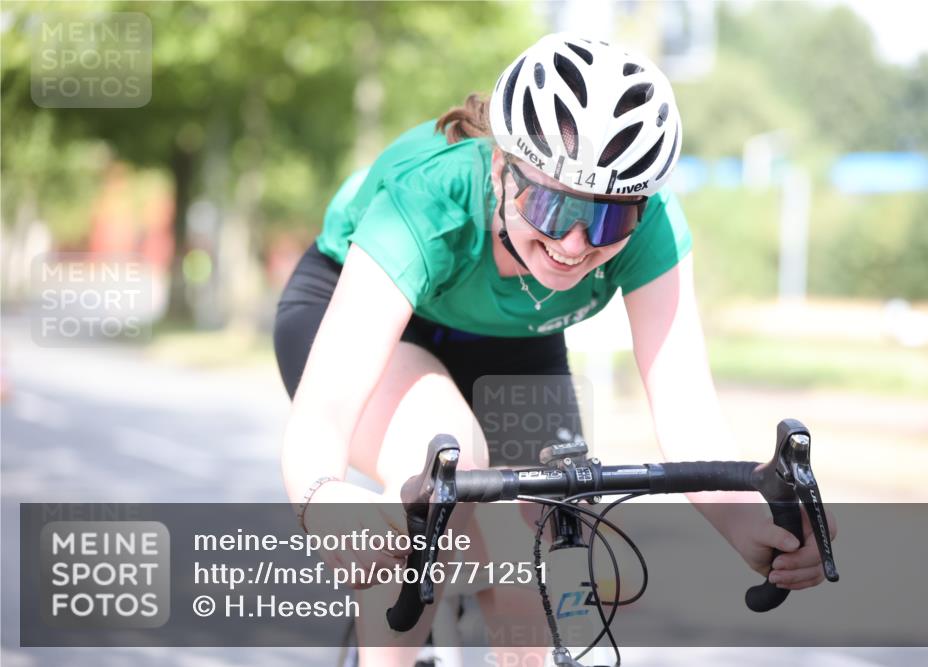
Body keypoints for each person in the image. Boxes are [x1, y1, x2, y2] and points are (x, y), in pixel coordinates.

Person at [275, 33, 835, 664]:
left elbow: (686, 410)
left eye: (607, 219)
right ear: (498, 166)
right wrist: (322, 500)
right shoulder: (426, 197)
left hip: (512, 343)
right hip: (363, 312)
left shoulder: (653, 224)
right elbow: (322, 416)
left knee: (550, 557)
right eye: (547, 202)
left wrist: (746, 522)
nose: (573, 243)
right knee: (440, 478)